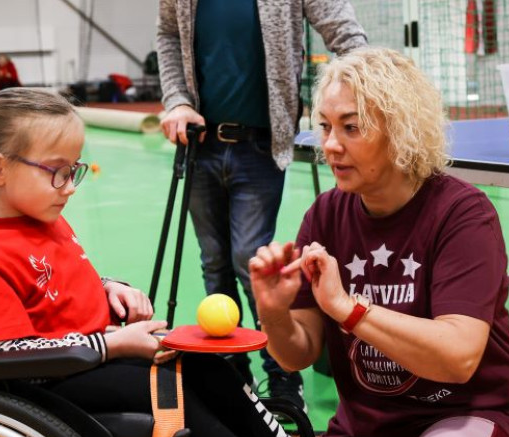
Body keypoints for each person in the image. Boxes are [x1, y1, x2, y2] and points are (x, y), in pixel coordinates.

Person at [0, 87, 298, 437]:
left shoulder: (44, 219)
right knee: (174, 393)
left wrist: (109, 287)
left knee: (212, 368)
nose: (69, 187)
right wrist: (111, 345)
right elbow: (5, 353)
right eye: (57, 172)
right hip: (53, 383)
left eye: (73, 170)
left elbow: (53, 283)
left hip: (94, 360)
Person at [248, 47, 509, 437]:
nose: (331, 145)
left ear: (402, 130)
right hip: (369, 431)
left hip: (471, 415)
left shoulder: (463, 214)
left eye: (351, 127)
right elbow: (298, 354)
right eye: (326, 127)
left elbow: (457, 358)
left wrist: (347, 309)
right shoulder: (326, 214)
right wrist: (274, 313)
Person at [156, 0, 367, 410]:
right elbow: (167, 35)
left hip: (260, 145)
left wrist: (360, 88)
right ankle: (231, 370)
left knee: (248, 260)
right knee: (214, 261)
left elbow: (346, 33)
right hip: (200, 143)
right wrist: (177, 99)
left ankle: (283, 375)